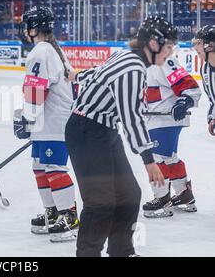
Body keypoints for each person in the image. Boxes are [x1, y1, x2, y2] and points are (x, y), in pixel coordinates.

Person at [65, 16, 173, 257]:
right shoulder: (133, 67)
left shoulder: (125, 56)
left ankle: (121, 251)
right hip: (87, 131)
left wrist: (77, 77)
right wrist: (148, 158)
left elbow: (97, 74)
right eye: (168, 47)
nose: (170, 53)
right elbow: (132, 117)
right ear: (154, 44)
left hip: (103, 131)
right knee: (100, 202)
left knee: (129, 195)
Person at [12, 6, 79, 243]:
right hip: (47, 121)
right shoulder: (53, 50)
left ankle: (69, 217)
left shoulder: (41, 52)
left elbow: (35, 89)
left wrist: (27, 117)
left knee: (54, 168)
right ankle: (53, 212)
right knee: (39, 166)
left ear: (33, 28)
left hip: (54, 122)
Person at [143, 50, 201, 218]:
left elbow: (189, 85)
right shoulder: (146, 63)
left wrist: (185, 100)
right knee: (169, 158)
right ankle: (184, 195)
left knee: (155, 158)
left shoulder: (163, 60)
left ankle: (161, 199)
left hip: (165, 119)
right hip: (157, 119)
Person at [194, 25, 215, 135]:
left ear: (210, 46)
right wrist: (213, 118)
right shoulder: (204, 70)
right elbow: (213, 100)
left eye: (199, 43)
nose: (195, 48)